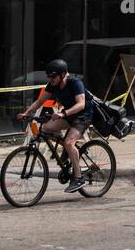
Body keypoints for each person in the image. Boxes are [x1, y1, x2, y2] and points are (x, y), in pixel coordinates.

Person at [17, 59, 91, 192]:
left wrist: (63, 114)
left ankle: (79, 178)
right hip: (68, 115)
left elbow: (81, 104)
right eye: (49, 76)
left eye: (53, 76)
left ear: (62, 75)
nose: (50, 79)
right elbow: (39, 102)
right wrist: (26, 113)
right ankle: (69, 152)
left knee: (69, 143)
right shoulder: (53, 85)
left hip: (82, 115)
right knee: (46, 128)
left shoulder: (75, 83)